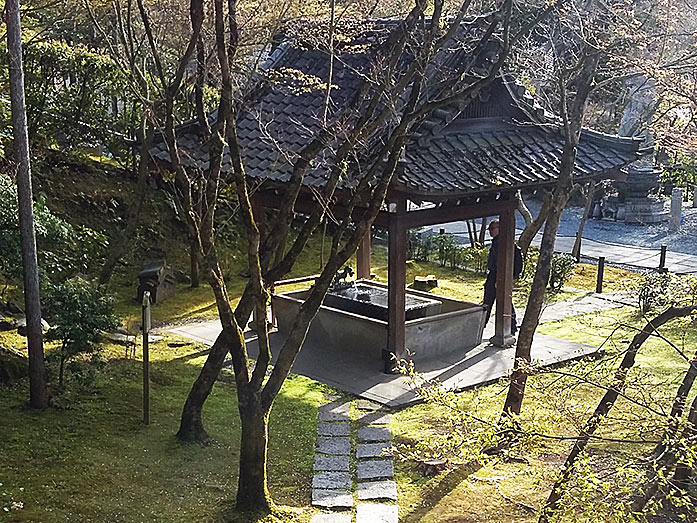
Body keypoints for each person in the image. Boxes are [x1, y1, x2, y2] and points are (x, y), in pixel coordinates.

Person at [482, 219, 521, 335]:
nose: (490, 231)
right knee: (505, 301)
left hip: (498, 276)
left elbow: (500, 262)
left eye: (492, 229)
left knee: (490, 302)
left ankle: (482, 324)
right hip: (499, 275)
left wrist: (499, 279)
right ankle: (512, 326)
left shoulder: (501, 243)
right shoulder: (503, 242)